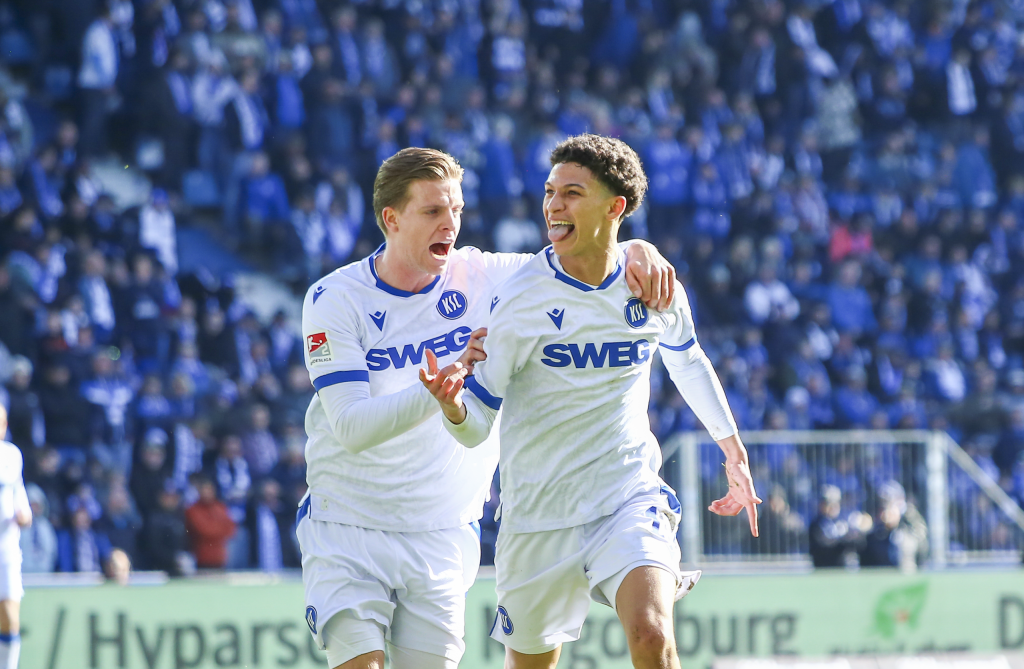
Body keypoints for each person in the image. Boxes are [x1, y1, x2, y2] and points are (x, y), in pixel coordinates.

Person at [297, 146, 675, 669]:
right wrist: (440, 388)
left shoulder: (487, 274)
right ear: (391, 219)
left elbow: (584, 251)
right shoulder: (334, 299)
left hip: (443, 534)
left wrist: (637, 247)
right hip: (348, 528)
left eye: (456, 209)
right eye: (433, 211)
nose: (450, 224)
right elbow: (351, 427)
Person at [424, 134, 760, 669]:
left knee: (651, 633)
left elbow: (687, 359)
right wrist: (452, 408)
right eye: (550, 191)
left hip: (626, 494)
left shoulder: (652, 284)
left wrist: (733, 449)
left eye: (572, 193)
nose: (553, 205)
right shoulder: (520, 297)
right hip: (538, 515)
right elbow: (478, 422)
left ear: (615, 207)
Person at [0, 407, 31, 669]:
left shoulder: (12, 455)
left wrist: (25, 514)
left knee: (10, 617)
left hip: (6, 549)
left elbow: (18, 494)